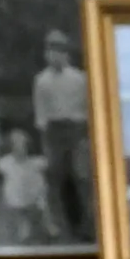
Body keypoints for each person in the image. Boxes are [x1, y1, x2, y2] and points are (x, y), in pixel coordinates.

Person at [30, 30, 92, 238]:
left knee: (81, 175)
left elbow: (87, 107)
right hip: (54, 132)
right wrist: (44, 139)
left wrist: (85, 133)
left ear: (67, 54)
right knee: (60, 177)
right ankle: (70, 223)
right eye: (51, 51)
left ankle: (87, 224)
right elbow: (41, 112)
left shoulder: (79, 78)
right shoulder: (41, 80)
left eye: (60, 51)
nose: (55, 56)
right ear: (46, 54)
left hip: (76, 130)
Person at [0, 129, 50, 243]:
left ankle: (48, 224)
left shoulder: (35, 161)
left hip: (34, 194)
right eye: (16, 145)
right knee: (21, 213)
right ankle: (24, 227)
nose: (20, 148)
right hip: (17, 195)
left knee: (43, 205)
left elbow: (47, 163)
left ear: (28, 146)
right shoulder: (7, 162)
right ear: (11, 148)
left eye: (23, 145)